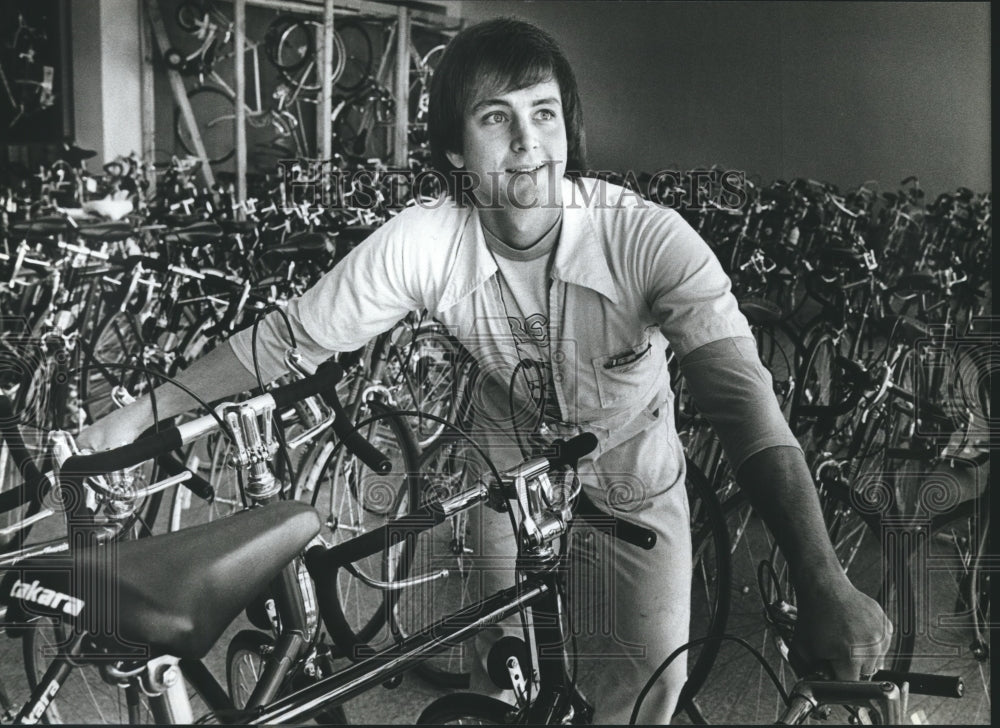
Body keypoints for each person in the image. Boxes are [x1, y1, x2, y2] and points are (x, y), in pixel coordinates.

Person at [80, 17, 891, 724]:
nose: (528, 142)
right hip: (514, 471)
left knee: (646, 690)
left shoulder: (645, 236)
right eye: (496, 119)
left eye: (544, 114)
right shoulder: (427, 240)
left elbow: (742, 400)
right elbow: (286, 341)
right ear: (455, 154)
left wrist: (822, 579)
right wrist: (140, 413)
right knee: (507, 673)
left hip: (633, 480)